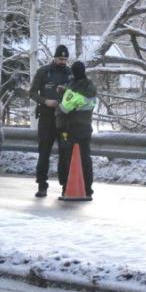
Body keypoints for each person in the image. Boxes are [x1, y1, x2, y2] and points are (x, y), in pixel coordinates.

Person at [29, 45, 71, 197]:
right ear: (54, 57)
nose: (62, 61)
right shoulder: (43, 72)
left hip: (64, 119)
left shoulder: (70, 74)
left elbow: (77, 93)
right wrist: (45, 101)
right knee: (44, 152)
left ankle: (65, 185)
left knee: (65, 153)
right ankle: (42, 185)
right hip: (46, 117)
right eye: (60, 58)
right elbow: (32, 92)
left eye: (65, 59)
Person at [56, 61, 97, 198]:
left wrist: (64, 96)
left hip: (70, 128)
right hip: (85, 128)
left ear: (73, 72)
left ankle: (67, 187)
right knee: (85, 158)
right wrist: (66, 91)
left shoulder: (72, 88)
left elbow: (64, 109)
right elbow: (84, 102)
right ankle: (87, 188)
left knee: (67, 158)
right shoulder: (90, 87)